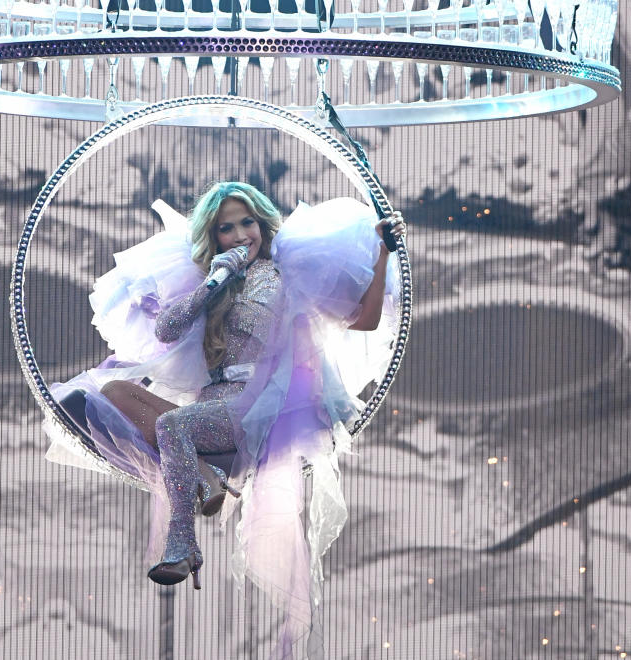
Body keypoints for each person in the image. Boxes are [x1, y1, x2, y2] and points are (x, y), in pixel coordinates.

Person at [51, 181, 404, 653]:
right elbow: (167, 327)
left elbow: (363, 319)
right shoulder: (212, 282)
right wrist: (216, 279)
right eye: (226, 228)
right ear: (213, 237)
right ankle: (204, 475)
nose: (239, 234)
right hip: (212, 411)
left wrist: (381, 254)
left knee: (173, 425)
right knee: (107, 392)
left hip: (256, 413)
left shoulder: (284, 276)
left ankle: (183, 543)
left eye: (247, 223)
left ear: (262, 225)